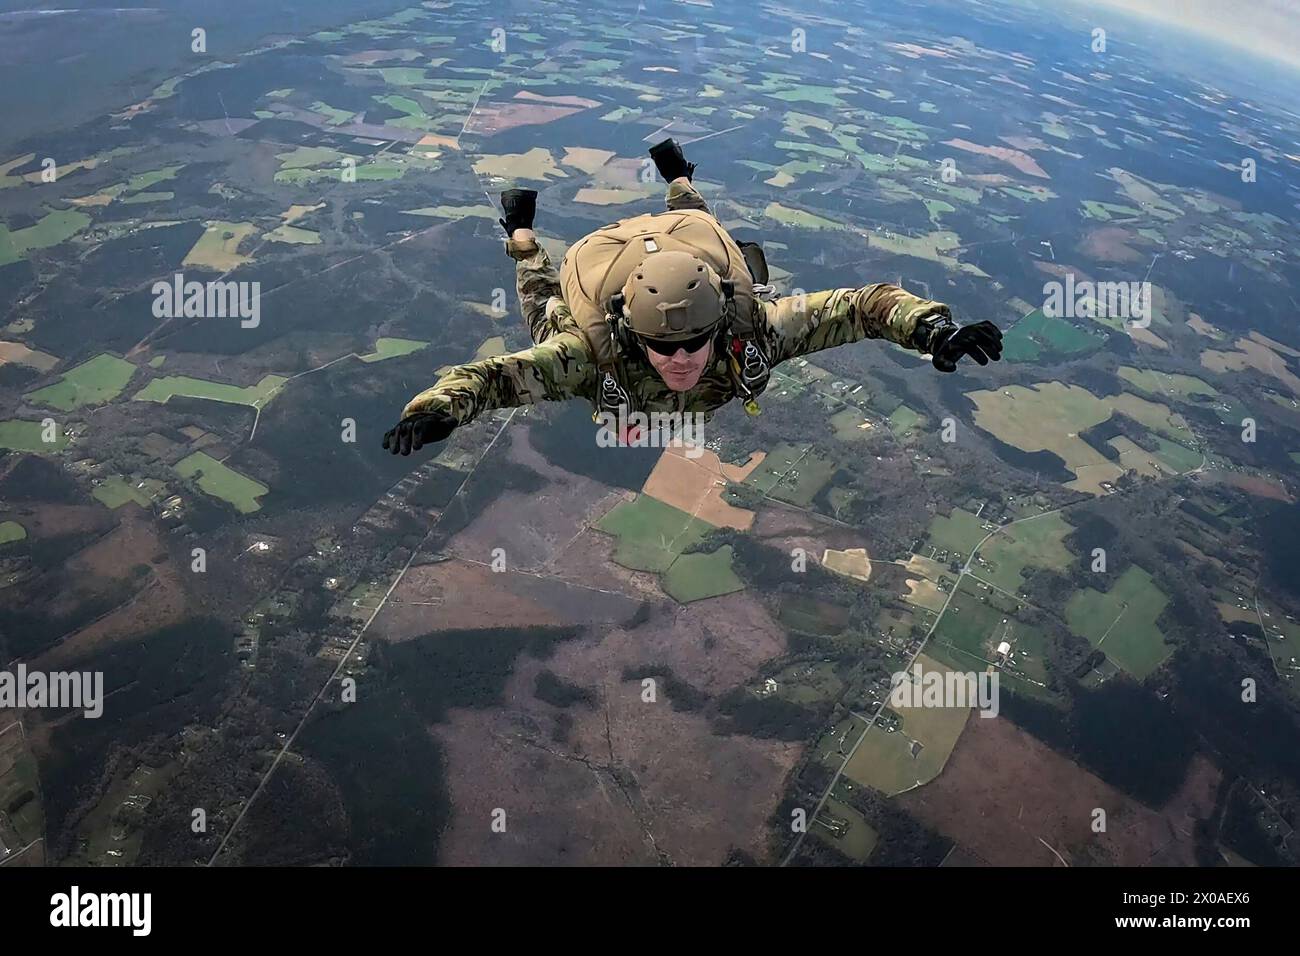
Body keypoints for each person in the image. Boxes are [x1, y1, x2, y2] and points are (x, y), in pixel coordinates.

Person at [383, 139, 1002, 455]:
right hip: (605, 283)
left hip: (687, 258)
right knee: (545, 315)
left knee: (704, 235)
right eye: (662, 345)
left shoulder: (752, 326)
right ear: (634, 335)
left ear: (720, 329)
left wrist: (931, 331)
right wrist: (436, 410)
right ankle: (520, 231)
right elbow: (490, 379)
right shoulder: (592, 354)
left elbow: (863, 307)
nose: (679, 359)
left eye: (692, 342)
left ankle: (679, 178)